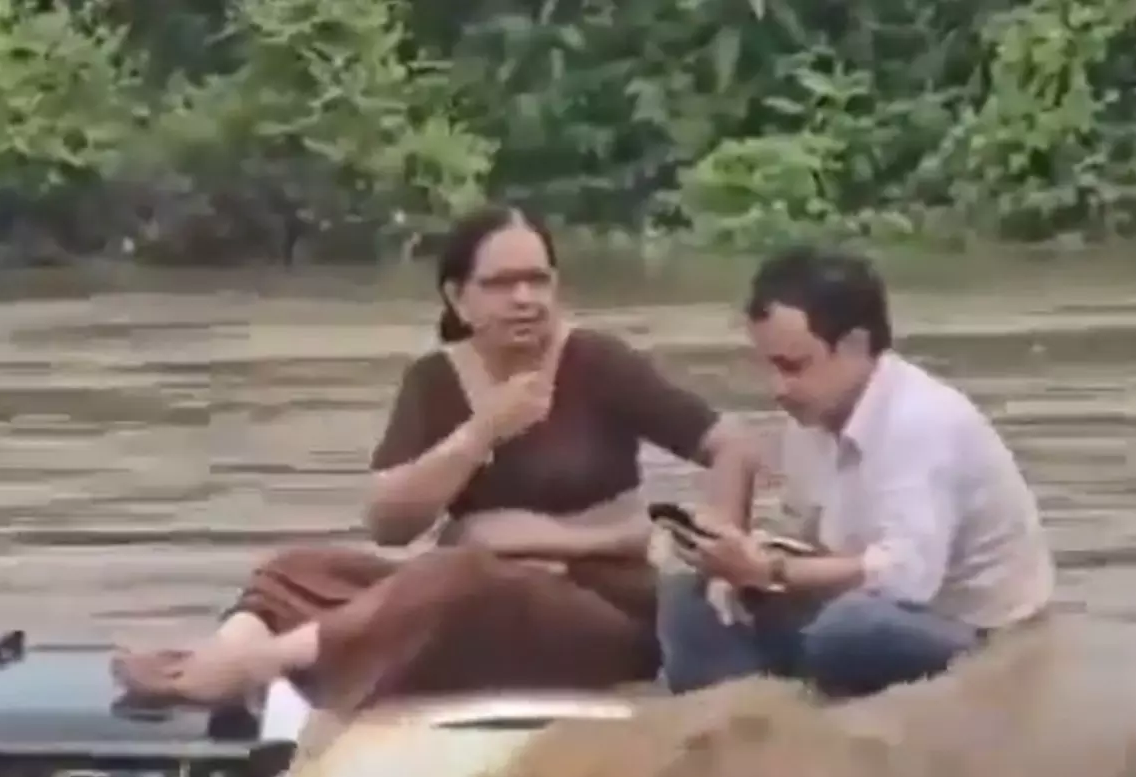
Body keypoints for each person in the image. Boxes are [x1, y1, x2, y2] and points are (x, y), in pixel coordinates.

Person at [111, 204, 759, 716]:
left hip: (599, 611)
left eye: (538, 280)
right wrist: (481, 432)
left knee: (459, 578)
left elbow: (732, 443)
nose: (525, 298)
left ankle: (261, 664)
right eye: (502, 284)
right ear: (458, 299)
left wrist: (721, 565)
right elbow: (389, 524)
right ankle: (214, 661)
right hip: (469, 590)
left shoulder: (599, 362)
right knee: (299, 568)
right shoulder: (434, 380)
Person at [655, 245, 1054, 700]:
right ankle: (742, 727)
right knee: (689, 594)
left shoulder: (919, 422)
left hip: (978, 638)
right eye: (769, 366)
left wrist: (770, 569)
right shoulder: (811, 420)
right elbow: (804, 535)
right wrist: (735, 560)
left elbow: (905, 579)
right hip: (859, 615)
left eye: (794, 367)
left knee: (847, 630)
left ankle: (789, 709)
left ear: (856, 346)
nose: (777, 389)